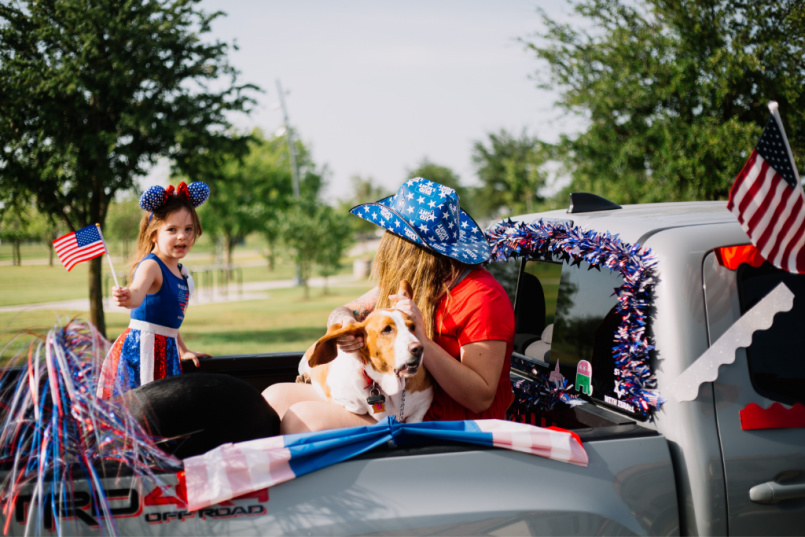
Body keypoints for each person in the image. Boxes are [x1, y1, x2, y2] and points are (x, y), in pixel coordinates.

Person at [264, 177, 515, 433]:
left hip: (442, 424)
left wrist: (422, 341)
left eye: (391, 232)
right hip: (390, 405)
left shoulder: (483, 297)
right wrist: (345, 324)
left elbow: (481, 397)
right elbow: (345, 311)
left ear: (407, 246)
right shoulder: (420, 281)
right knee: (274, 398)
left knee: (301, 419)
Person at [97, 181, 212, 398]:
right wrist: (127, 296)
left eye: (188, 229)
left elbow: (168, 323)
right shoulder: (152, 265)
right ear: (153, 235)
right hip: (144, 349)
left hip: (166, 349)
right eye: (172, 230)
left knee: (164, 409)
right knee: (144, 408)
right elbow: (136, 294)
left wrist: (183, 350)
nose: (182, 236)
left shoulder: (182, 272)